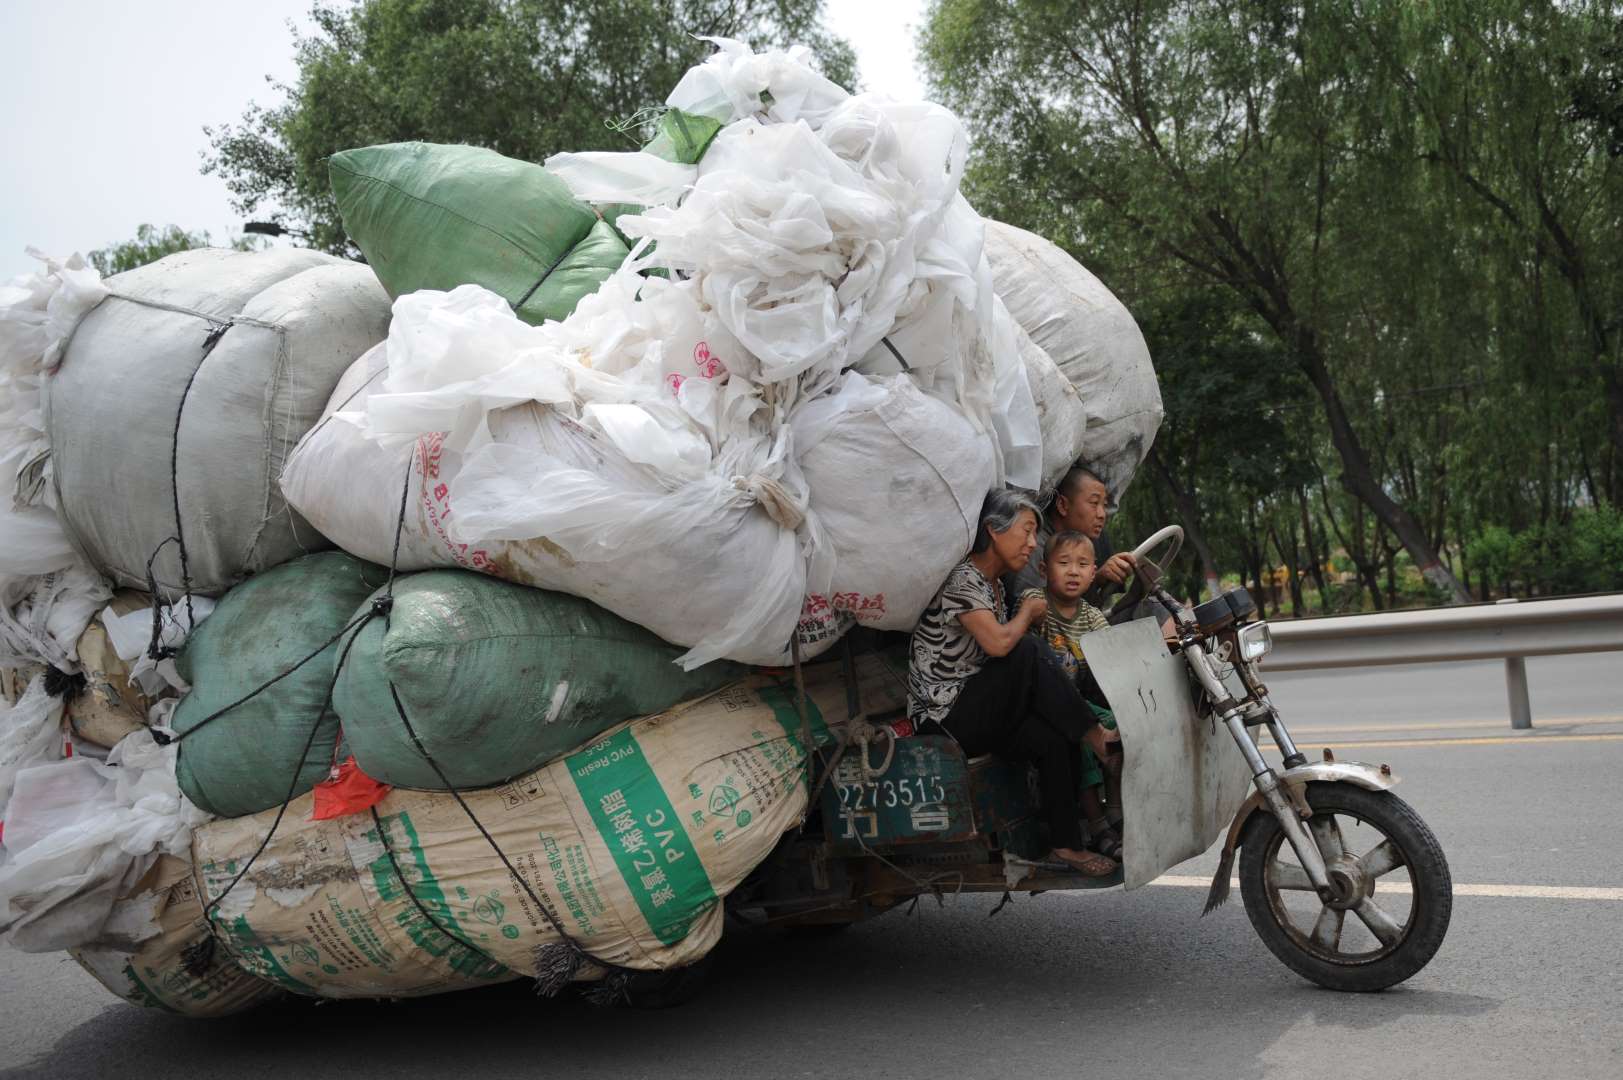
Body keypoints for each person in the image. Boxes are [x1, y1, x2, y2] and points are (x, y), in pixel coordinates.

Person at [907, 488, 1118, 876]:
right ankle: (1098, 738)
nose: (1033, 543)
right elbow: (999, 643)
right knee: (1025, 649)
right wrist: (1026, 615)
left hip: (980, 706)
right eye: (1026, 531)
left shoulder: (996, 586)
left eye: (1036, 533)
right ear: (994, 530)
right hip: (945, 716)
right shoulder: (962, 580)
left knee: (1054, 737)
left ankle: (1067, 846)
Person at [1018, 529, 1126, 858]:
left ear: (1094, 573)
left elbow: (1113, 653)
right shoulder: (1036, 605)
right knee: (1079, 738)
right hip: (1046, 705)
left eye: (1082, 564)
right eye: (1064, 563)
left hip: (1080, 701)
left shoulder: (1092, 617)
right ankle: (1095, 825)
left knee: (1123, 725)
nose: (1073, 571)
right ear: (1044, 569)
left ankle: (1116, 809)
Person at [1004, 465, 1136, 612]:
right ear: (1063, 505)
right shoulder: (1034, 547)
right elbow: (1039, 616)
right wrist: (1095, 580)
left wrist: (1099, 579)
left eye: (1104, 505)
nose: (1102, 514)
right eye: (1094, 503)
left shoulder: (1092, 541)